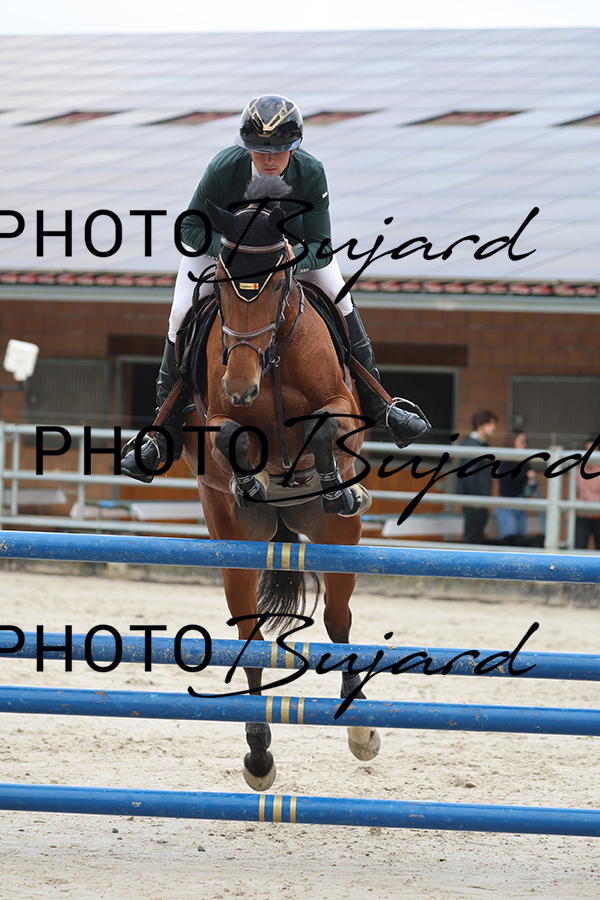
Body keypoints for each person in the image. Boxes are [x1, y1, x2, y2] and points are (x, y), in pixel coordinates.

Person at [121, 94, 430, 482]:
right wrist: (232, 252)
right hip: (224, 254)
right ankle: (162, 435)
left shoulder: (311, 172)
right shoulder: (224, 167)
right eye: (260, 150)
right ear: (245, 146)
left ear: (295, 146)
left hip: (292, 255)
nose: (269, 159)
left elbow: (320, 244)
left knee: (341, 300)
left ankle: (380, 404)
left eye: (279, 150)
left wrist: (282, 259)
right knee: (180, 314)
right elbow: (190, 227)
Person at [456, 409, 498, 544]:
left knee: (477, 534)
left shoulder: (481, 445)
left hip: (479, 498)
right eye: (489, 423)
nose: (494, 427)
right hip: (474, 499)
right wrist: (476, 498)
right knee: (473, 536)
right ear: (479, 425)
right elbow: (468, 474)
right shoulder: (472, 445)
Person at [494, 431, 539, 542]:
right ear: (512, 442)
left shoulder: (525, 462)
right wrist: (526, 474)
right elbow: (506, 476)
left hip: (521, 504)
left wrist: (532, 481)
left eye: (525, 442)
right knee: (509, 540)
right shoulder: (504, 460)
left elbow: (529, 484)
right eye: (522, 442)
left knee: (520, 541)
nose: (525, 445)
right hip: (507, 505)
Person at [575, 436, 600, 550]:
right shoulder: (579, 469)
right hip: (582, 514)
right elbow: (576, 491)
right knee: (579, 547)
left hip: (598, 514)